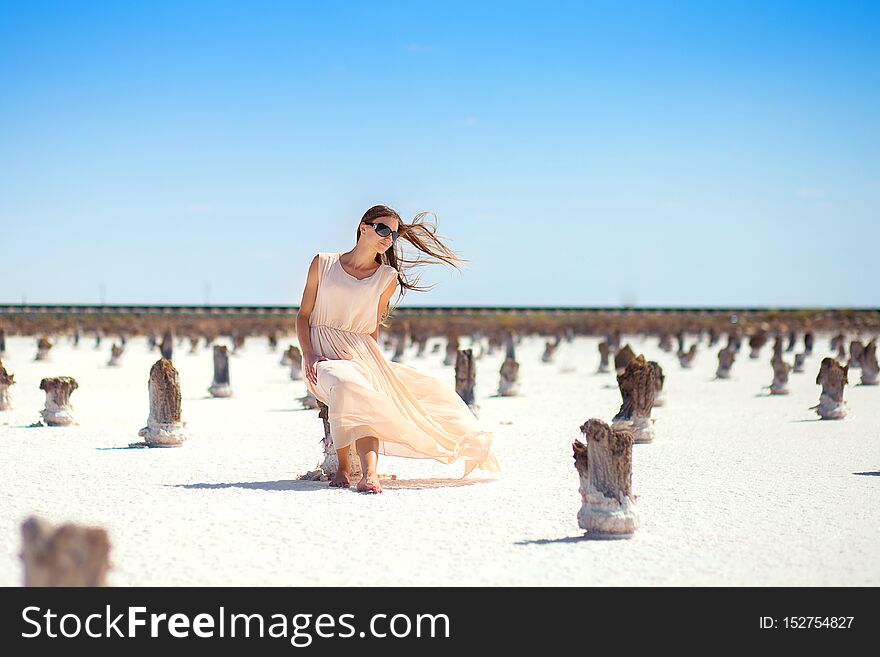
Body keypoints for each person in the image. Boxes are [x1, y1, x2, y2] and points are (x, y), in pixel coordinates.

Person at [296, 205, 500, 493]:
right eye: (382, 229)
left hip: (360, 354)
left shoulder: (386, 278)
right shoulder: (323, 263)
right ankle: (342, 467)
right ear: (363, 228)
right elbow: (303, 316)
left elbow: (371, 329)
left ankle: (369, 473)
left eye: (393, 233)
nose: (388, 237)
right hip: (321, 354)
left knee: (367, 391)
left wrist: (375, 368)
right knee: (343, 383)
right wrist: (309, 355)